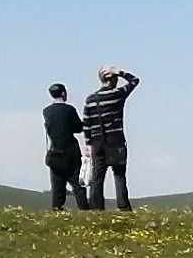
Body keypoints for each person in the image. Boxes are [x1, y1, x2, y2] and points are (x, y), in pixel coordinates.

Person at [82, 65, 139, 211]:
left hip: (97, 142)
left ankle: (96, 208)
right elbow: (134, 81)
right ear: (113, 79)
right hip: (116, 140)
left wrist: (88, 143)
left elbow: (87, 122)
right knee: (119, 175)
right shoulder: (117, 94)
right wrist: (120, 72)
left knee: (97, 177)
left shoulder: (90, 99)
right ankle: (123, 206)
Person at [42, 84, 85, 210]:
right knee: (76, 182)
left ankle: (57, 208)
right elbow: (78, 128)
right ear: (63, 93)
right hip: (71, 150)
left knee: (57, 184)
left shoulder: (46, 111)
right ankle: (84, 208)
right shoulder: (70, 110)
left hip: (55, 151)